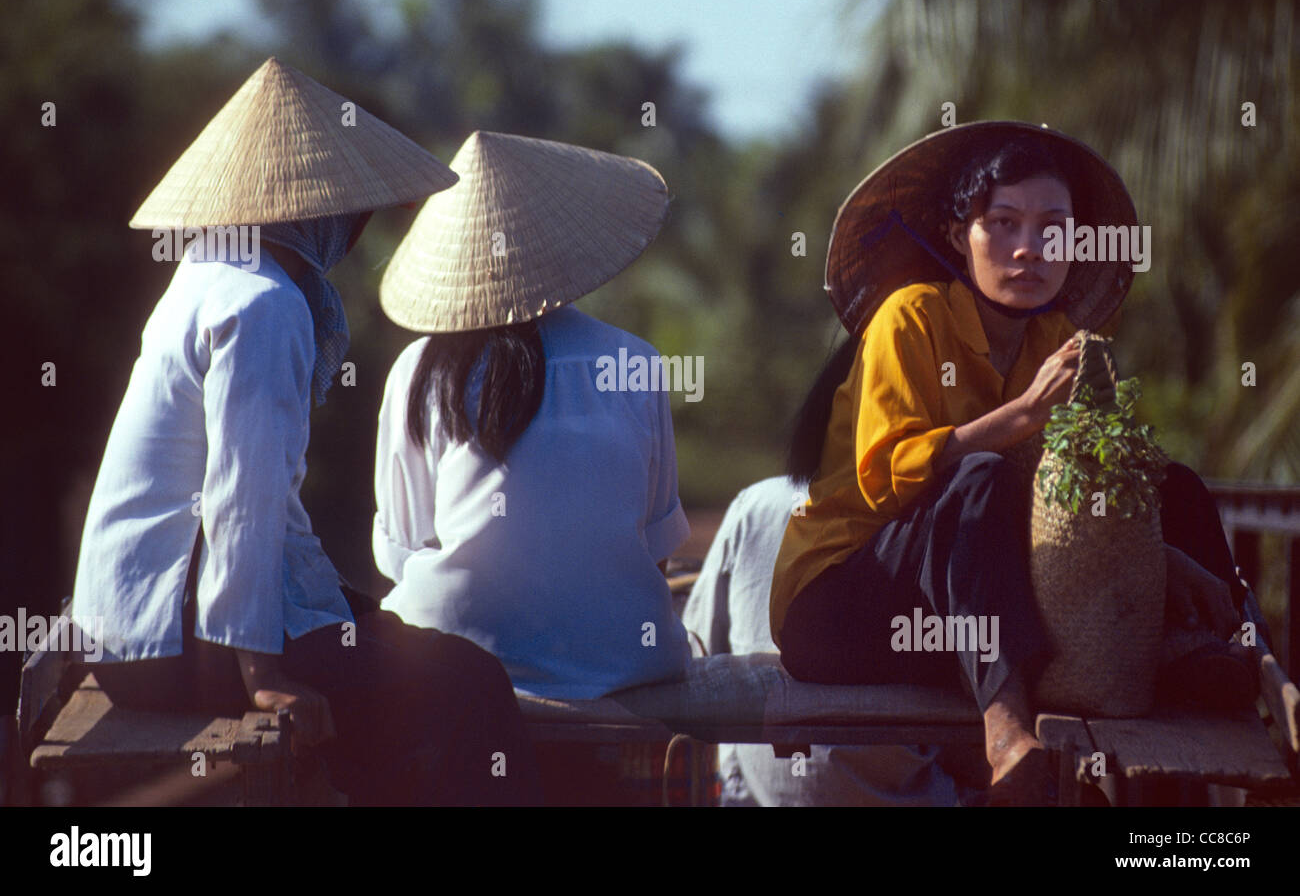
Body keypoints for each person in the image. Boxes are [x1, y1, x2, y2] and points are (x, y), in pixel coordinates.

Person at [72, 57, 540, 805]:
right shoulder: (266, 304)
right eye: (351, 212)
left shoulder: (205, 273)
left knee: (391, 644)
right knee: (469, 680)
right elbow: (241, 500)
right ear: (317, 214)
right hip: (180, 641)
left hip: (134, 626)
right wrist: (263, 680)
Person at [772, 121, 1252, 804]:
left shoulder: (1059, 340)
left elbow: (1075, 500)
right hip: (842, 606)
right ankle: (1005, 728)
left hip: (975, 607)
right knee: (977, 475)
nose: (1029, 249)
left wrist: (1164, 555)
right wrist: (1022, 415)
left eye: (1053, 227)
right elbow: (894, 480)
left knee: (1168, 487)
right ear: (954, 234)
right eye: (1002, 223)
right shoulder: (910, 317)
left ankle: (1207, 654)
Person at [371, 131, 692, 701]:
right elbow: (656, 547)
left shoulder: (419, 371)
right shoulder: (635, 361)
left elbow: (405, 547)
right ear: (561, 251)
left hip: (453, 658)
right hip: (624, 660)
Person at [683, 475, 961, 806]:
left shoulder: (757, 502)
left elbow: (697, 647)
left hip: (759, 791)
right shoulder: (928, 505)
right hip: (900, 793)